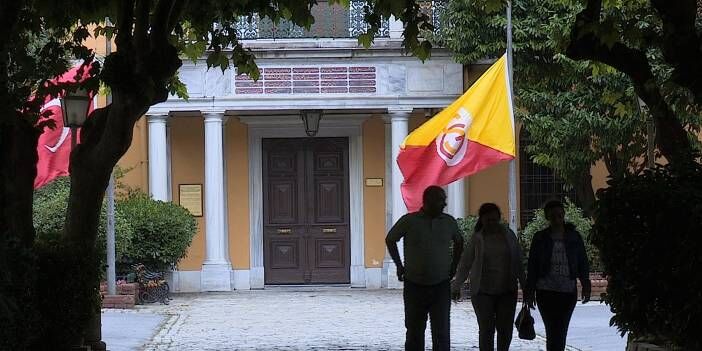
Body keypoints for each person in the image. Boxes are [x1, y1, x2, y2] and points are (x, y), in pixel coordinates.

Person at [386, 185, 464, 351]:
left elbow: (459, 241)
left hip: (441, 284)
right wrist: (399, 265)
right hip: (415, 284)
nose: (444, 204)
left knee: (442, 331)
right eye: (441, 201)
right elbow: (390, 239)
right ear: (428, 201)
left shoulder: (449, 222)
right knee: (414, 331)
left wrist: (454, 266)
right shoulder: (410, 221)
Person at [450, 203, 526, 351]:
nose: (491, 223)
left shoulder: (509, 236)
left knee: (505, 329)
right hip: (482, 291)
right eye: (488, 220)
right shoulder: (477, 238)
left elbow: (518, 263)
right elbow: (466, 263)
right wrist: (456, 285)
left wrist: (525, 286)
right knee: (486, 329)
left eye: (494, 219)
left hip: (506, 290)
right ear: (482, 220)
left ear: (499, 218)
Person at [524, 200, 591, 351]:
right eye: (553, 216)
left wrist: (585, 283)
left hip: (567, 291)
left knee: (561, 329)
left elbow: (582, 261)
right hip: (545, 290)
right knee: (551, 329)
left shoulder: (574, 237)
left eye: (560, 215)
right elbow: (533, 266)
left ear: (564, 215)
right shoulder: (540, 238)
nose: (557, 219)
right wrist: (529, 291)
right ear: (548, 217)